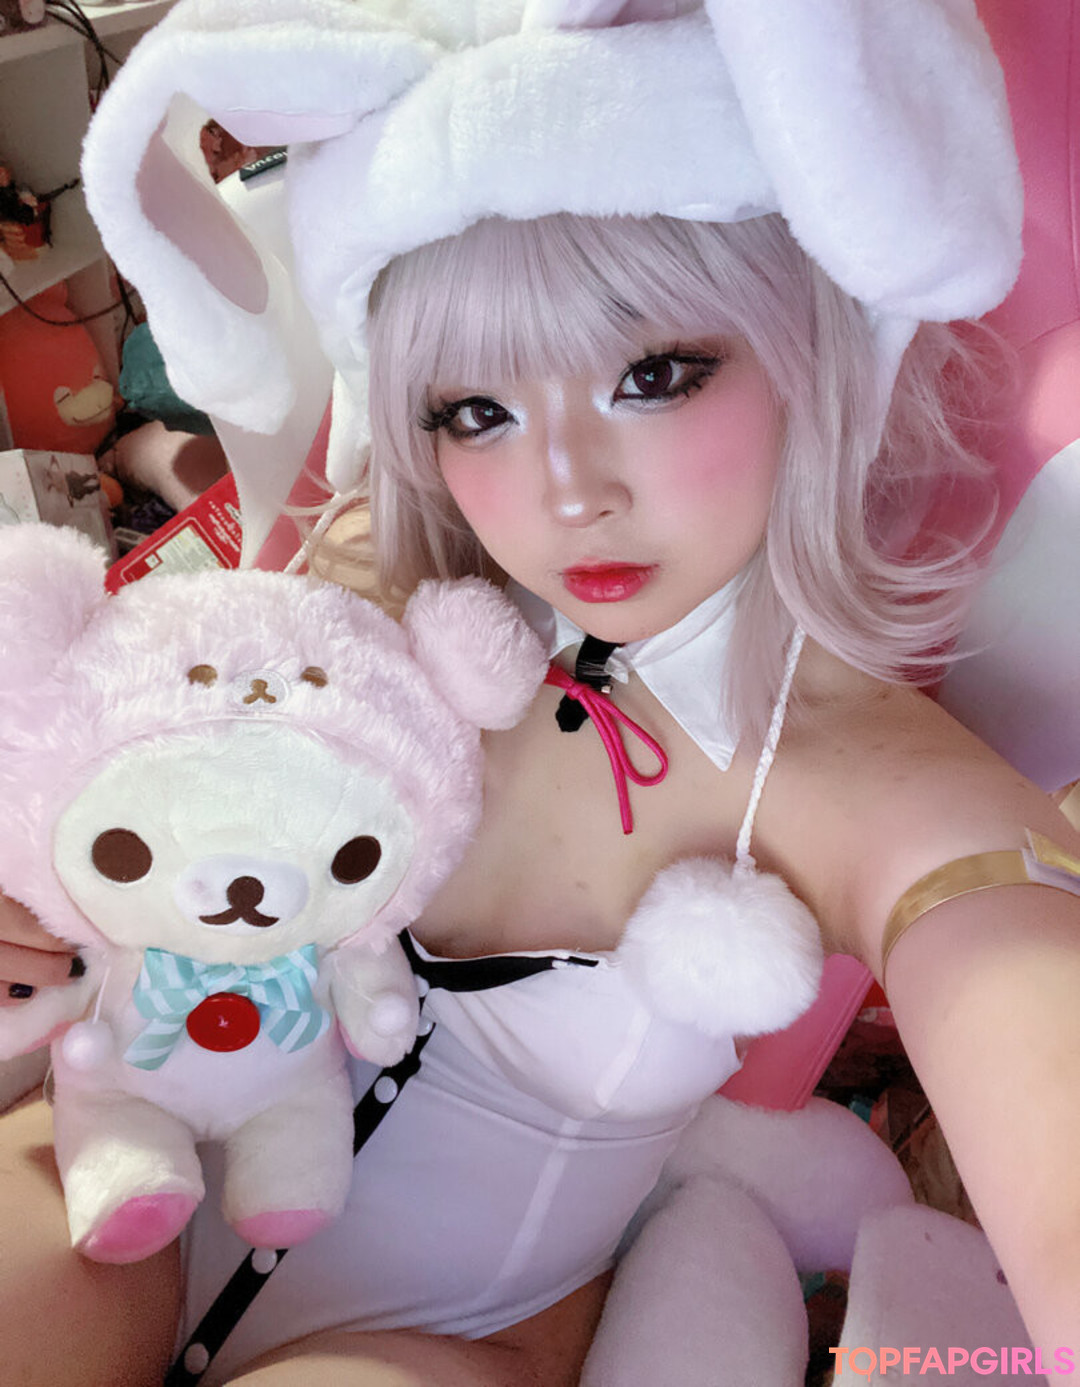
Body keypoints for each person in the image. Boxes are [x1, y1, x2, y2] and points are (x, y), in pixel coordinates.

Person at [3, 3, 1080, 1384]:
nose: (568, 491)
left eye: (655, 375)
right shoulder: (369, 576)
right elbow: (100, 775)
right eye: (479, 412)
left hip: (444, 1341)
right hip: (120, 1166)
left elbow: (1022, 997)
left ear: (812, 344)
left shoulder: (863, 776)